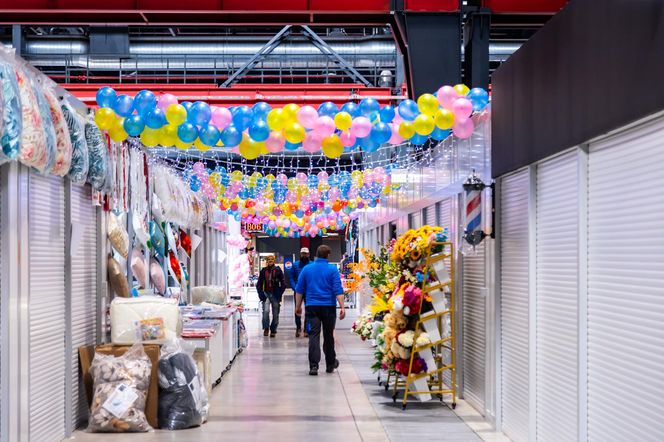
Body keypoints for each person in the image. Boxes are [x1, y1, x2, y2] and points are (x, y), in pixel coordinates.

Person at [295, 245, 346, 376]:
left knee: (314, 336)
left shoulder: (307, 269)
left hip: (312, 308)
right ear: (328, 255)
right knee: (328, 336)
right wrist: (342, 307)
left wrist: (298, 306)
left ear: (316, 254)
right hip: (328, 308)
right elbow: (337, 289)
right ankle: (330, 364)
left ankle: (313, 366)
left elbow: (299, 290)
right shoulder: (332, 270)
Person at [256, 255, 286, 337]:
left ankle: (273, 329)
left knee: (275, 313)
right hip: (266, 294)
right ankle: (266, 328)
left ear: (274, 260)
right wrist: (261, 294)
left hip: (275, 295)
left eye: (272, 259)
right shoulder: (263, 271)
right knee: (265, 312)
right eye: (268, 259)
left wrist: (279, 294)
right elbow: (259, 284)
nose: (270, 260)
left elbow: (283, 284)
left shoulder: (278, 270)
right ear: (266, 261)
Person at [288, 247, 313, 338]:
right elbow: (291, 277)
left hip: (309, 291)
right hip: (298, 291)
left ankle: (306, 329)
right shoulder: (295, 265)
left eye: (306, 254)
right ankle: (298, 327)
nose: (304, 255)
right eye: (302, 253)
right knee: (297, 309)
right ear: (300, 254)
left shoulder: (311, 264)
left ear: (308, 254)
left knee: (308, 310)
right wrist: (295, 288)